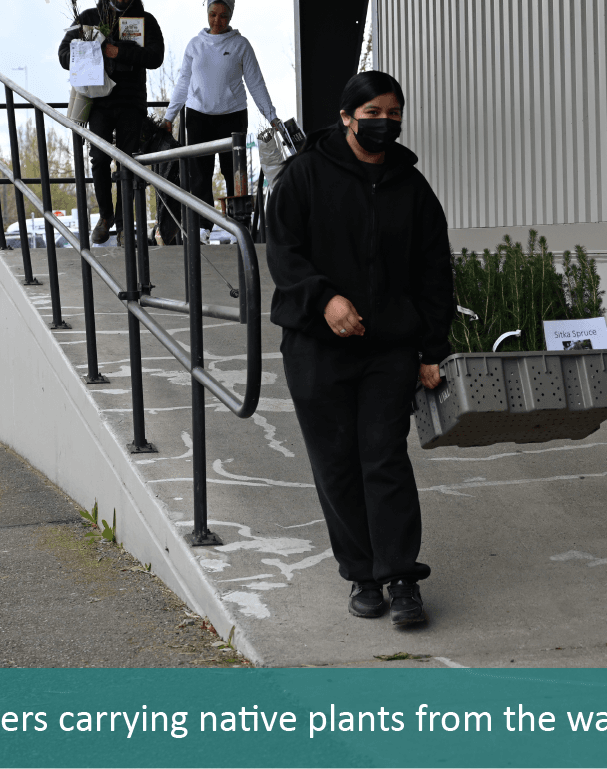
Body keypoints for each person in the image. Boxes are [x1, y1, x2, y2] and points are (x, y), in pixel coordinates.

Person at [266, 71, 454, 627]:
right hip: (316, 348)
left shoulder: (412, 187)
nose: (385, 122)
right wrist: (324, 300)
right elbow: (284, 254)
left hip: (388, 348)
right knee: (337, 465)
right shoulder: (303, 176)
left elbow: (433, 272)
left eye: (394, 113)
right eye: (373, 112)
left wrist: (431, 348)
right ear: (347, 116)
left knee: (384, 459)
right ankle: (362, 575)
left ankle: (401, 576)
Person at [162, 0, 283, 241]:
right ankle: (202, 227)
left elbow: (255, 82)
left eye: (223, 16)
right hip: (198, 118)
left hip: (232, 117)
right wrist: (169, 116)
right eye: (212, 14)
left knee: (234, 173)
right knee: (200, 175)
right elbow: (183, 83)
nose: (217, 20)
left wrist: (271, 116)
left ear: (231, 16)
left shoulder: (241, 45)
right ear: (206, 13)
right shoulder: (195, 45)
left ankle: (239, 226)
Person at [59, 0, 165, 245]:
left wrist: (119, 52)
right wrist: (85, 52)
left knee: (128, 163)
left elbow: (156, 56)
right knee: (98, 158)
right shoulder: (87, 17)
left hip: (131, 102)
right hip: (98, 103)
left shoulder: (145, 20)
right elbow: (63, 55)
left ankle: (124, 227)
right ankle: (105, 218)